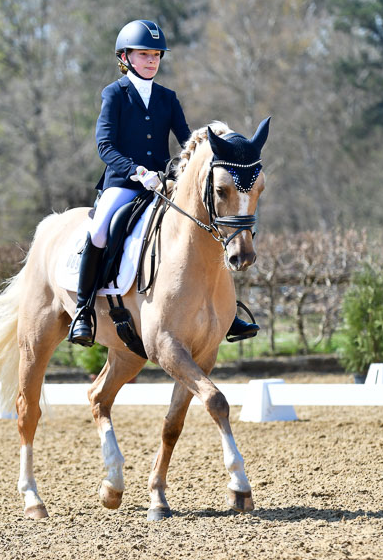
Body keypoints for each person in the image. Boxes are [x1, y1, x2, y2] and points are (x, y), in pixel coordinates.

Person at [68, 19, 259, 347]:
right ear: (125, 57)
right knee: (100, 230)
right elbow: (105, 146)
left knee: (205, 228)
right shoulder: (114, 94)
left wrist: (208, 158)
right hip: (124, 183)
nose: (152, 60)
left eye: (156, 54)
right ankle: (84, 310)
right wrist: (136, 171)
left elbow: (187, 141)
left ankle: (225, 311)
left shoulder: (167, 98)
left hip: (164, 184)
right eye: (144, 54)